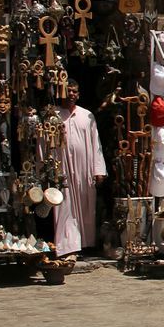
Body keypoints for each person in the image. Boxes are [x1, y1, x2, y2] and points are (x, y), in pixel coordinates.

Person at [50, 80, 106, 258]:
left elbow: (95, 142)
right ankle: (67, 245)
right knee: (64, 203)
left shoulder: (87, 116)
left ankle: (84, 243)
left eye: (75, 91)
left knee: (84, 203)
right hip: (63, 166)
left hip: (84, 167)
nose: (72, 94)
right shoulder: (54, 116)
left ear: (79, 94)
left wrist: (99, 169)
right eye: (69, 91)